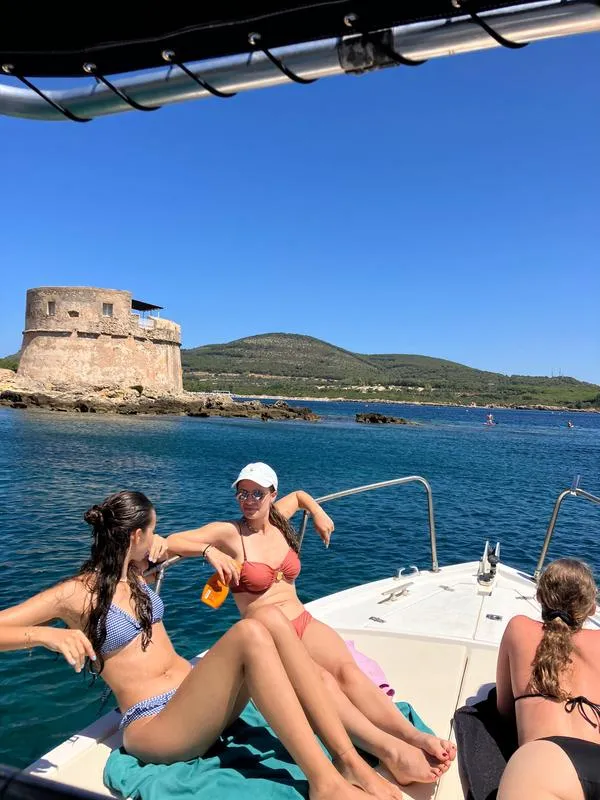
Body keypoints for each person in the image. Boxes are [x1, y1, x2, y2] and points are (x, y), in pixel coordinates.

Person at [0, 490, 404, 800]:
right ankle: (324, 782)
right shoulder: (75, 593)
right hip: (155, 724)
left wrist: (209, 551)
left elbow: (184, 542)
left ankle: (347, 760)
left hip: (194, 702)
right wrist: (47, 634)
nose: (157, 538)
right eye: (153, 531)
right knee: (250, 632)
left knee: (268, 617)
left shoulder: (139, 572)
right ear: (137, 535)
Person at [166, 462, 456, 785]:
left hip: (302, 620)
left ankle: (413, 736)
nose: (248, 500)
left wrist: (318, 513)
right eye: (242, 493)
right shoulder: (231, 533)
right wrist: (210, 552)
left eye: (257, 493)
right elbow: (172, 541)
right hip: (270, 634)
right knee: (323, 683)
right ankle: (391, 752)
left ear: (272, 495)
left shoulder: (277, 518)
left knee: (349, 672)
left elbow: (301, 496)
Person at [495, 558, 600, 800]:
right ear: (591, 608)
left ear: (540, 597)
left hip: (546, 762)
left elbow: (503, 710)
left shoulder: (518, 628)